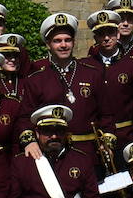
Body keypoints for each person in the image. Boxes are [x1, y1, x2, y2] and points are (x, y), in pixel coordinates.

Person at [16, 14, 104, 158]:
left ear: (73, 42)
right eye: (57, 41)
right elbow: (24, 118)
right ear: (48, 44)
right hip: (50, 153)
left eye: (67, 40)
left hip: (89, 152)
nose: (63, 45)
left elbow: (106, 114)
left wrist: (106, 143)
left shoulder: (93, 74)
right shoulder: (36, 79)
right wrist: (30, 142)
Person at [88, 8, 133, 158]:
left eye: (110, 33)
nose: (106, 38)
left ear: (117, 34)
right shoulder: (87, 65)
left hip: (125, 135)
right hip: (95, 140)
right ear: (95, 37)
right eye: (101, 34)